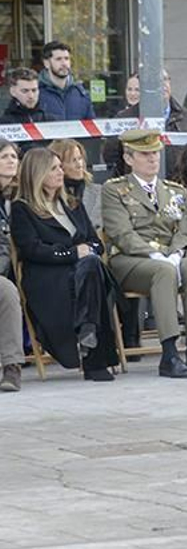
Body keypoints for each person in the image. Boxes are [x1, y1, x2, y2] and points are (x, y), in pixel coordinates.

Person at [99, 128, 187, 378]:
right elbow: (122, 233)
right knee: (163, 271)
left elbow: (184, 232)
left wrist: (175, 254)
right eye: (145, 154)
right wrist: (156, 256)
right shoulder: (114, 190)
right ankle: (169, 353)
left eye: (155, 153)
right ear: (129, 159)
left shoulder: (174, 191)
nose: (153, 159)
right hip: (131, 260)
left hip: (169, 258)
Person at [8, 146, 118, 380]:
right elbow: (32, 250)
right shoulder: (22, 209)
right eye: (53, 168)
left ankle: (87, 330)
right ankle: (94, 357)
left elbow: (96, 242)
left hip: (83, 275)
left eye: (60, 167)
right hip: (48, 276)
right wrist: (72, 254)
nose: (61, 172)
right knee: (91, 267)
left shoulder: (73, 203)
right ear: (37, 174)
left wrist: (87, 252)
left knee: (92, 265)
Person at [0, 141, 27, 391]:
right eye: (4, 156)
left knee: (7, 289)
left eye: (14, 157)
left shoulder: (14, 198)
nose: (11, 161)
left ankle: (12, 367)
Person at [49, 139, 102, 230]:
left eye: (80, 158)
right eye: (73, 160)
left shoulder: (100, 192)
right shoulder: (50, 196)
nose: (79, 165)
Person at [36, 40, 95, 121]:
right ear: (46, 63)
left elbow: (92, 128)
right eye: (58, 59)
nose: (64, 63)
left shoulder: (81, 94)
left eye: (67, 59)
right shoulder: (35, 93)